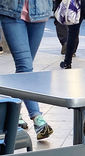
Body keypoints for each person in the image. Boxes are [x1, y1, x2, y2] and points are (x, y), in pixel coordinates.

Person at [0, 0, 53, 140]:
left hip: (40, 12)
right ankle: (37, 118)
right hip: (11, 11)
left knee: (24, 71)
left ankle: (14, 113)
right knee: (25, 66)